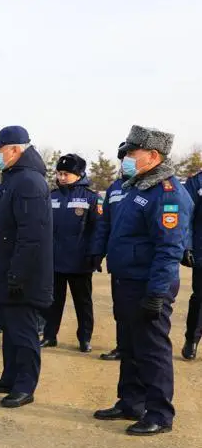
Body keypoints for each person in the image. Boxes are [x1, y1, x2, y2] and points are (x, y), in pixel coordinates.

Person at [93, 125, 192, 435]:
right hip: (126, 281)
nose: (127, 158)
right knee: (130, 346)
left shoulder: (168, 193)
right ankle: (131, 402)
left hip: (148, 285)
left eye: (133, 153)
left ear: (153, 155)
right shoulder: (138, 186)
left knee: (152, 350)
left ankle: (160, 413)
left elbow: (169, 248)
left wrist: (158, 293)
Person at [0, 126, 53, 408]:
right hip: (7, 270)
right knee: (10, 329)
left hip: (23, 274)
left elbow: (31, 234)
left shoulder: (29, 183)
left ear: (15, 150)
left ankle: (25, 385)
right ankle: (9, 377)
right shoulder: (14, 178)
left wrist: (18, 273)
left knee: (23, 332)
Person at [40, 154, 98, 353]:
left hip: (80, 262)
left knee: (83, 303)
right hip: (54, 260)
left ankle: (84, 338)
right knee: (52, 302)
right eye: (59, 173)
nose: (62, 177)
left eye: (66, 174)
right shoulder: (52, 196)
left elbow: (98, 229)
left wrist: (95, 254)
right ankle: (49, 336)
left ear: (79, 174)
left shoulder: (91, 197)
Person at [89, 143, 130, 361]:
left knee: (143, 312)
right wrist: (98, 251)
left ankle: (138, 351)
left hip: (142, 263)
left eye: (130, 157)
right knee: (121, 308)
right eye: (123, 158)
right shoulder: (115, 188)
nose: (126, 162)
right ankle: (122, 346)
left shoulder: (148, 187)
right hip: (119, 260)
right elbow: (104, 223)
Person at [181, 167, 202, 360]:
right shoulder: (196, 182)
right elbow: (186, 217)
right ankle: (192, 339)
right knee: (200, 298)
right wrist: (186, 246)